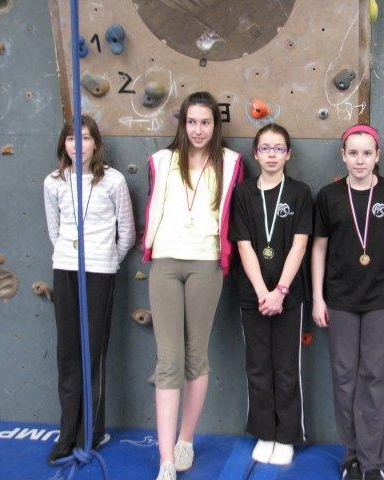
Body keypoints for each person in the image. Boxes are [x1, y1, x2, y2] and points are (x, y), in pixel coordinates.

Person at [141, 91, 243, 480]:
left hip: (206, 263)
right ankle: (166, 459)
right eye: (191, 122)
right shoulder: (162, 160)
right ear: (182, 124)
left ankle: (186, 440)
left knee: (195, 356)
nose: (198, 130)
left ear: (215, 125)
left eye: (205, 122)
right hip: (166, 260)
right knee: (168, 359)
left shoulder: (231, 162)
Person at [311, 124, 384, 480]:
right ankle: (351, 456)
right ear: (343, 155)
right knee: (344, 378)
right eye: (353, 153)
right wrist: (318, 298)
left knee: (374, 377)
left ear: (377, 156)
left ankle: (372, 463)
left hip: (381, 299)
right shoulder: (329, 196)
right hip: (340, 299)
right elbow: (318, 249)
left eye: (367, 153)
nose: (360, 160)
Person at [43, 114, 135, 464]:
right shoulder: (53, 182)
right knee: (68, 353)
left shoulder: (113, 180)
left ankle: (91, 432)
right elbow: (54, 229)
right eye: (71, 138)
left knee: (93, 352)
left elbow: (127, 232)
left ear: (96, 143)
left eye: (84, 138)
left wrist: (106, 259)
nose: (77, 145)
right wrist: (68, 254)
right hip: (66, 268)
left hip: (100, 271)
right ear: (63, 144)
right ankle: (67, 432)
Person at [230, 123, 312, 465]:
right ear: (256, 154)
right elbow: (244, 245)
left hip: (288, 295)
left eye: (279, 148)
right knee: (258, 366)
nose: (272, 155)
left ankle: (287, 435)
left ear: (288, 154)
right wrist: (263, 292)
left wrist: (279, 290)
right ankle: (264, 432)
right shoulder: (243, 193)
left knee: (287, 367)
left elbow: (300, 245)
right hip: (253, 295)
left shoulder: (300, 192)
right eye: (265, 148)